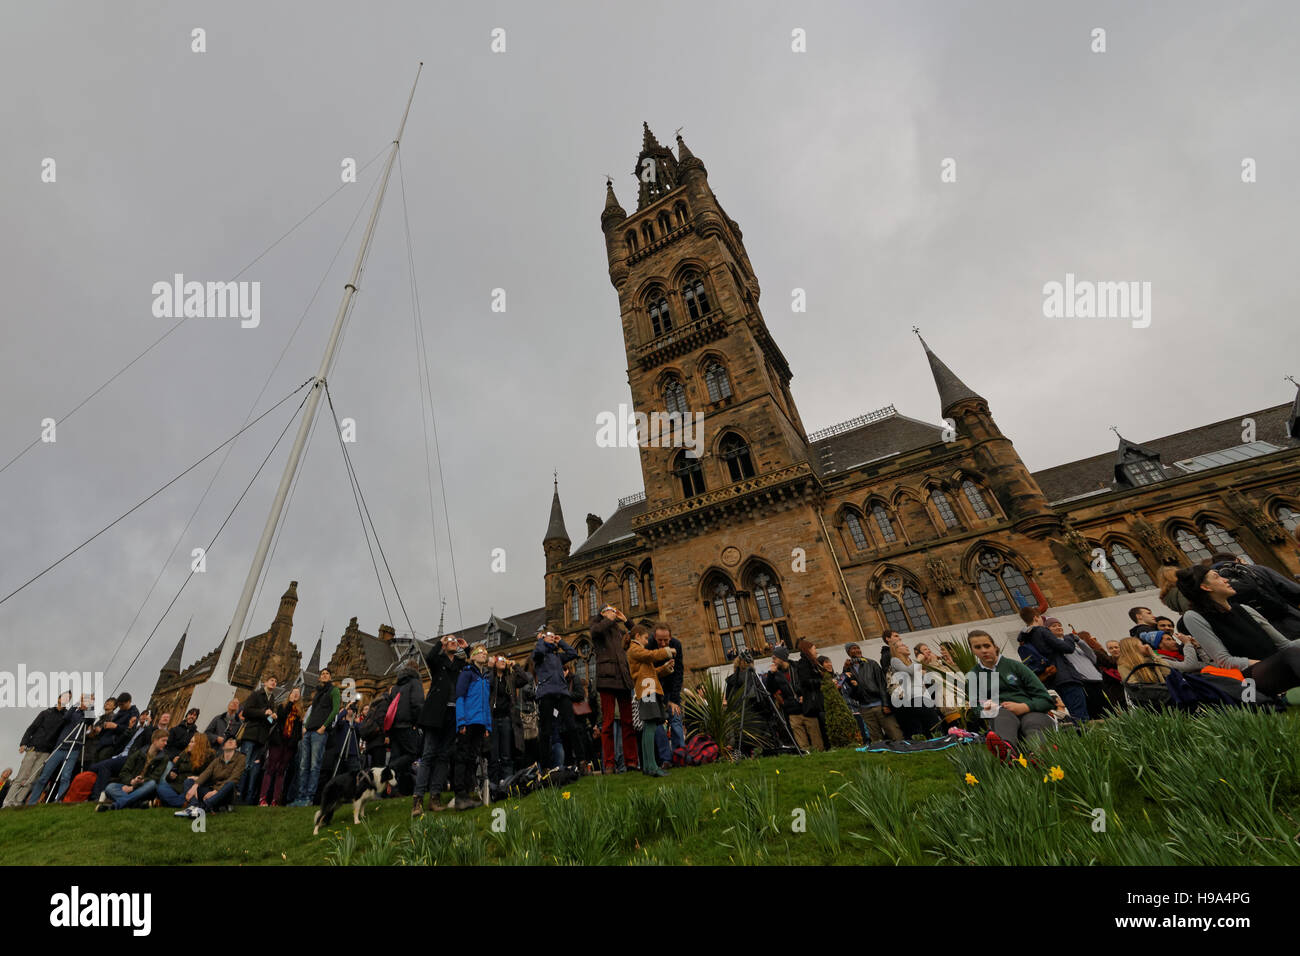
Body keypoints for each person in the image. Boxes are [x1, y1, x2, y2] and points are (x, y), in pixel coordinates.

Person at [1176, 564, 1300, 697]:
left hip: (1279, 665)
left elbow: (1284, 645)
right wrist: (1268, 663)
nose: (1226, 580)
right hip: (1249, 677)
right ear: (1206, 587)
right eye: (1217, 577)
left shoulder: (1245, 609)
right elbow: (1225, 661)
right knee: (1290, 654)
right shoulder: (1193, 617)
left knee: (1292, 653)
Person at [966, 629, 1055, 760]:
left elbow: (1046, 700)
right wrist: (986, 709)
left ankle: (1038, 754)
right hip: (1001, 713)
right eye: (978, 647)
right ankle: (1007, 752)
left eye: (987, 645)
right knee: (1001, 716)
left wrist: (1024, 707)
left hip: (1031, 711)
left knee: (1032, 722)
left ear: (994, 646)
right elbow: (976, 709)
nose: (984, 650)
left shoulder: (1016, 666)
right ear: (972, 650)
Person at [413, 636, 467, 817]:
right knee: (428, 755)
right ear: (444, 646)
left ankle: (435, 797)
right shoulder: (438, 661)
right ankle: (418, 799)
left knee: (444, 756)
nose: (452, 641)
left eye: (454, 641)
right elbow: (429, 658)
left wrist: (466, 648)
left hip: (453, 714)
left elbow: (469, 662)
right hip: (436, 713)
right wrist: (440, 643)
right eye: (449, 641)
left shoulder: (459, 663)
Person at [591, 604, 638, 773]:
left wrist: (627, 621)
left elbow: (638, 636)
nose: (613, 612)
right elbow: (595, 632)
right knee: (608, 723)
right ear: (603, 613)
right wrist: (608, 619)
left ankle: (631, 761)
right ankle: (609, 764)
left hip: (623, 678)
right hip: (607, 678)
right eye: (610, 610)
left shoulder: (618, 631)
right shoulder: (598, 625)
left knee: (628, 722)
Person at [1019, 607, 1088, 721]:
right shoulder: (1041, 631)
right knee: (1079, 714)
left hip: (1049, 678)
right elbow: (1067, 648)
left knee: (1064, 716)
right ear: (1036, 618)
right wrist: (1069, 638)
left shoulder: (1025, 637)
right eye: (1041, 618)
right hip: (1065, 676)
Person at [624, 623, 675, 777]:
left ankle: (648, 766)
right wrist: (666, 651)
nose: (647, 641)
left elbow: (650, 672)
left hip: (648, 686)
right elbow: (650, 656)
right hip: (647, 688)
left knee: (650, 726)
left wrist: (665, 668)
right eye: (646, 638)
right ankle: (652, 766)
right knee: (650, 725)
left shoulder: (637, 650)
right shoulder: (634, 649)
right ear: (637, 636)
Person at [1212, 552, 1300, 640]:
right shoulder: (1257, 570)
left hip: (1267, 633)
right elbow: (1294, 590)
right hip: (1291, 618)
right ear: (1236, 560)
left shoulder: (1220, 585)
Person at [5, 690, 70, 807]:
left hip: (47, 752)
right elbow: (32, 727)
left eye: (68, 698)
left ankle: (18, 802)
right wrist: (23, 743)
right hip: (33, 747)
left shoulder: (66, 717)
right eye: (64, 697)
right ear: (59, 698)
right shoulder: (46, 713)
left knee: (31, 779)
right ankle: (7, 802)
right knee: (21, 776)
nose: (66, 699)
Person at [26, 693, 94, 804]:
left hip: (74, 749)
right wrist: (77, 703)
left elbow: (90, 721)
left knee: (65, 777)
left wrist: (90, 706)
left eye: (87, 701)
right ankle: (31, 802)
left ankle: (61, 801)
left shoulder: (87, 715)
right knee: (44, 777)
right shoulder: (73, 712)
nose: (84, 703)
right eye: (84, 701)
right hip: (60, 747)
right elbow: (65, 718)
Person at [533, 627, 582, 772]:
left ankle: (582, 760)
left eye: (553, 636)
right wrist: (541, 640)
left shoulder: (558, 657)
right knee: (546, 731)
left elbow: (572, 653)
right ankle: (546, 766)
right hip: (546, 693)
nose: (552, 637)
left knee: (572, 727)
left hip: (562, 692)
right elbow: (539, 652)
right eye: (549, 636)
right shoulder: (539, 655)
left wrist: (561, 642)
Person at [452, 643, 493, 810]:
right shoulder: (467, 673)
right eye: (480, 652)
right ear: (473, 656)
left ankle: (468, 794)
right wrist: (461, 720)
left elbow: (486, 704)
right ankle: (460, 795)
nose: (484, 654)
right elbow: (460, 697)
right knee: (462, 756)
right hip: (468, 721)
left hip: (480, 723)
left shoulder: (485, 678)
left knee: (472, 758)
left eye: (485, 652)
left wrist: (487, 726)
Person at [290, 669, 338, 807]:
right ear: (319, 678)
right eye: (322, 674)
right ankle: (300, 797)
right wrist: (306, 726)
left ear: (330, 677)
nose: (324, 675)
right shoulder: (317, 693)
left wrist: (324, 727)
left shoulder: (334, 690)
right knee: (304, 765)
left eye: (327, 674)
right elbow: (314, 710)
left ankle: (309, 797)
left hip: (319, 732)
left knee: (314, 766)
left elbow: (335, 710)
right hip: (309, 731)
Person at [841, 642, 902, 744]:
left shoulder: (871, 663)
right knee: (876, 739)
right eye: (853, 649)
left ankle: (902, 750)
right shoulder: (848, 668)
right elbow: (848, 688)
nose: (857, 650)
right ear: (848, 652)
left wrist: (886, 704)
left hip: (879, 705)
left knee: (895, 733)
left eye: (858, 648)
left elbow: (882, 684)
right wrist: (845, 669)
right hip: (865, 709)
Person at [96, 729, 170, 812]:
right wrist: (131, 781)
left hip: (144, 788)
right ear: (155, 740)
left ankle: (114, 806)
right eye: (163, 740)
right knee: (110, 787)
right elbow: (124, 772)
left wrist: (133, 787)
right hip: (130, 784)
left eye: (166, 741)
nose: (165, 743)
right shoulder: (138, 753)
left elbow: (155, 777)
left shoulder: (164, 758)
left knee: (152, 783)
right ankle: (137, 804)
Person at [766, 647, 822, 751]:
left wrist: (805, 696)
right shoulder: (776, 674)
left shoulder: (797, 667)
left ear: (782, 657)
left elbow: (808, 683)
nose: (773, 661)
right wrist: (771, 674)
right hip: (792, 712)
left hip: (807, 709)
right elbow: (770, 689)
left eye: (774, 658)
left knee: (817, 741)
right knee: (802, 746)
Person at [176, 738, 247, 818]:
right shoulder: (217, 760)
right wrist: (195, 785)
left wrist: (216, 791)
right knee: (189, 781)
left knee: (230, 783)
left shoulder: (241, 758)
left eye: (233, 740)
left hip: (226, 794)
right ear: (223, 747)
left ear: (236, 745)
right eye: (227, 740)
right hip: (212, 791)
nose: (231, 740)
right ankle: (193, 807)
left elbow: (235, 777)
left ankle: (203, 807)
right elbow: (206, 773)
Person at [384, 660, 426, 788]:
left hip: (395, 726)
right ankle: (389, 769)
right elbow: (417, 704)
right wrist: (417, 723)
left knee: (397, 755)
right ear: (416, 670)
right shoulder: (415, 683)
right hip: (408, 725)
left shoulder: (396, 687)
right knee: (412, 754)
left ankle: (396, 789)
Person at [259, 687, 302, 806]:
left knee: (281, 771)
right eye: (294, 692)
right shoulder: (282, 706)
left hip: (289, 745)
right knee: (270, 768)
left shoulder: (300, 712)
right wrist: (290, 703)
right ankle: (263, 798)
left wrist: (294, 742)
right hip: (278, 741)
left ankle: (275, 800)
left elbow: (298, 731)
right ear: (290, 694)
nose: (296, 694)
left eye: (298, 693)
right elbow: (281, 717)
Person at [488, 655, 527, 785]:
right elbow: (486, 683)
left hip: (506, 719)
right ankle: (493, 785)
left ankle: (508, 783)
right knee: (493, 755)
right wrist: (490, 668)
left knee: (506, 754)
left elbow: (524, 679)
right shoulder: (491, 677)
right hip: (492, 719)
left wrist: (515, 665)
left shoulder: (510, 677)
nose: (503, 661)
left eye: (505, 659)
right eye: (500, 659)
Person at [651, 624, 686, 763]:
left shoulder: (677, 645)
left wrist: (674, 700)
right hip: (655, 690)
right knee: (658, 724)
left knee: (676, 717)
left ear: (670, 637)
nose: (663, 643)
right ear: (655, 637)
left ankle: (680, 755)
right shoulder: (649, 646)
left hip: (672, 689)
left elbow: (679, 673)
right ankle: (666, 759)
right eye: (660, 640)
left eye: (666, 640)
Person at [159, 731, 215, 808]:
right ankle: (183, 803)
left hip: (191, 786)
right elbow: (173, 770)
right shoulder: (184, 754)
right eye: (190, 742)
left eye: (192, 742)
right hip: (177, 785)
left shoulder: (208, 757)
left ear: (199, 744)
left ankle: (167, 802)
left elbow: (210, 775)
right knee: (161, 787)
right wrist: (171, 776)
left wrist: (197, 778)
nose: (189, 744)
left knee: (188, 794)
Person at [793, 639, 827, 751]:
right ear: (808, 650)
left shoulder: (813, 663)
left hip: (819, 700)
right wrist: (822, 682)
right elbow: (806, 681)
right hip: (814, 703)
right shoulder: (804, 663)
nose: (816, 652)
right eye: (814, 649)